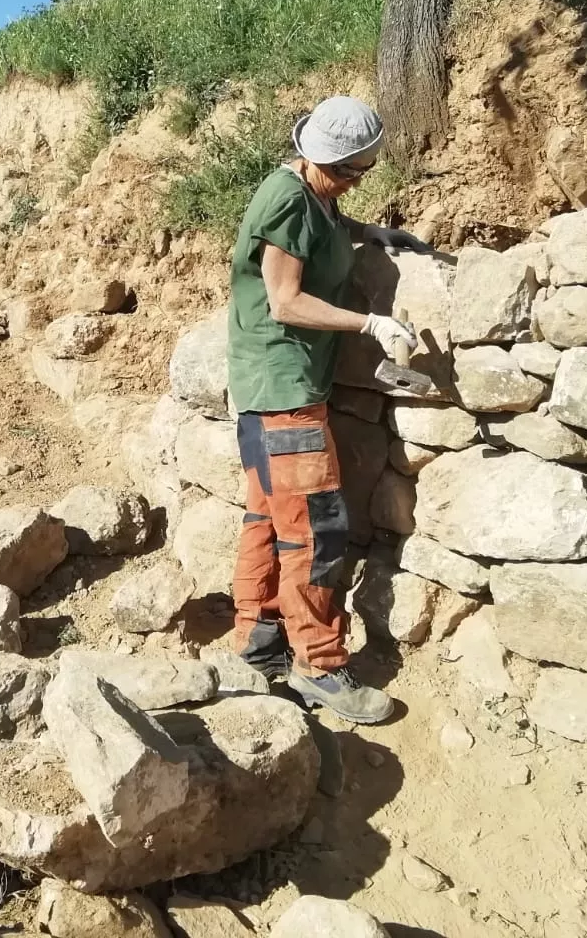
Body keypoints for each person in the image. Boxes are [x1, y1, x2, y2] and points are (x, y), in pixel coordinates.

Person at [226, 96, 428, 725]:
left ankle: (257, 643)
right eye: (348, 172)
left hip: (262, 389)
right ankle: (319, 666)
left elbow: (323, 227)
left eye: (359, 175)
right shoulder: (288, 197)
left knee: (268, 518)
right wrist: (370, 324)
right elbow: (284, 300)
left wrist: (368, 232)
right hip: (285, 392)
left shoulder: (312, 193)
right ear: (322, 157)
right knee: (316, 530)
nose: (350, 182)